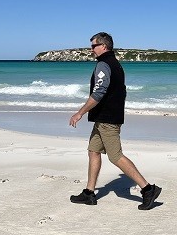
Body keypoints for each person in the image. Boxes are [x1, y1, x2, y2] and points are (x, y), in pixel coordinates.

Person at [68, 32, 162, 210]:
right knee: (93, 151)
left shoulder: (104, 64)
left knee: (115, 156)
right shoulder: (115, 64)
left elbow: (98, 93)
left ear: (103, 46)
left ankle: (148, 189)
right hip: (104, 118)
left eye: (93, 46)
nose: (91, 50)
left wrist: (79, 113)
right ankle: (89, 193)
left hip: (108, 119)